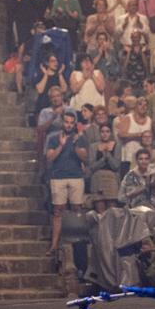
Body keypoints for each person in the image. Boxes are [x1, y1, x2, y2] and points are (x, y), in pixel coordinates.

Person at [45, 109, 88, 254]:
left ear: (74, 124)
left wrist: (75, 145)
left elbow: (85, 158)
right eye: (66, 122)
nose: (69, 125)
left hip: (76, 176)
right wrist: (61, 145)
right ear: (62, 122)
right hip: (58, 177)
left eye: (71, 123)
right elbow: (50, 157)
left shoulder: (79, 138)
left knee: (77, 210)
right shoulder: (53, 137)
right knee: (58, 212)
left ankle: (76, 242)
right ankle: (55, 244)